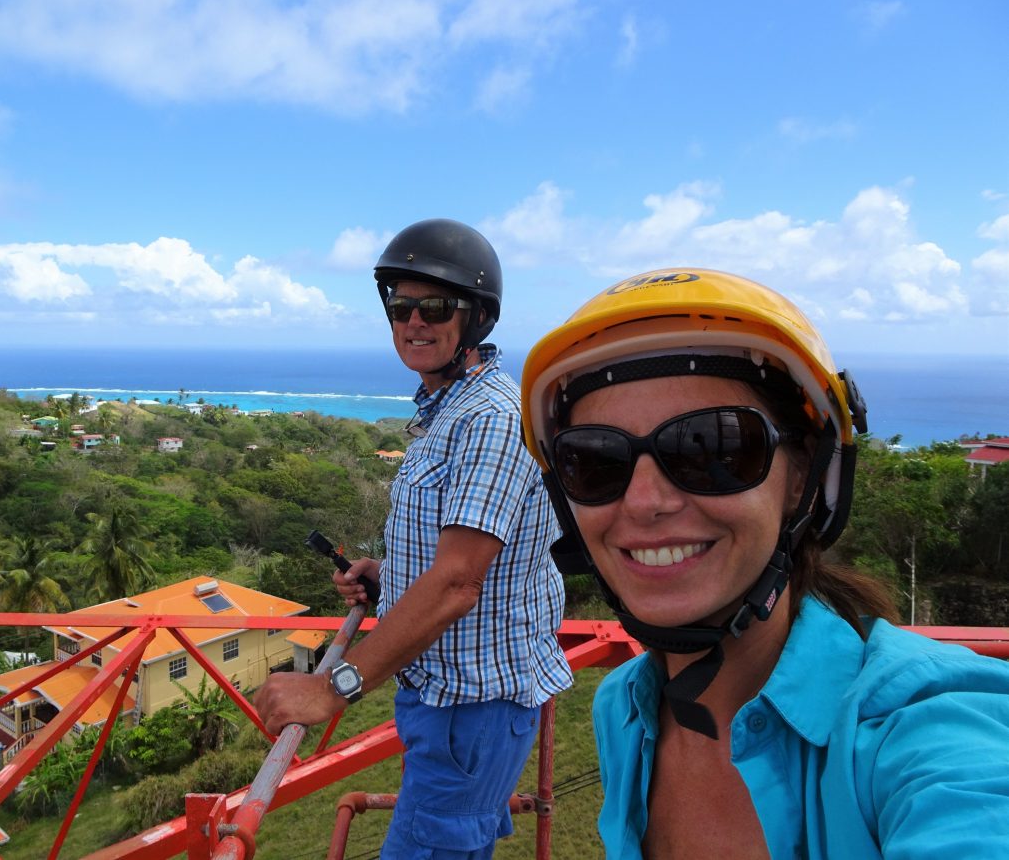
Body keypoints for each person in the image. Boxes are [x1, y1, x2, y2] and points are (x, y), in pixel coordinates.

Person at [519, 267, 1009, 858]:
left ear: (802, 475)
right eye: (595, 461)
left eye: (713, 448)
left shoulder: (920, 726)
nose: (645, 502)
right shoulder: (622, 709)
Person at [255, 218, 572, 858]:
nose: (414, 322)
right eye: (402, 307)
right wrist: (389, 576)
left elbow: (458, 582)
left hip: (471, 707)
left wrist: (331, 686)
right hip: (446, 701)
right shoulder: (448, 407)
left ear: (475, 319)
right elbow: (455, 554)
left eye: (435, 308)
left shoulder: (488, 418)